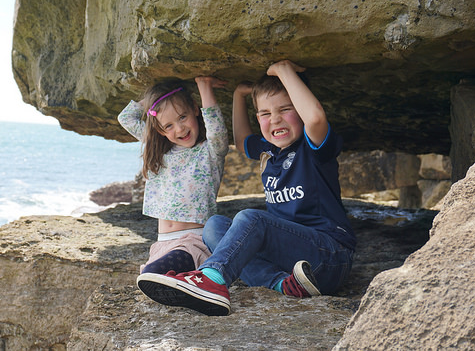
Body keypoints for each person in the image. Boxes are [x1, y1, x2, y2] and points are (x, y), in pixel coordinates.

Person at [136, 60, 356, 316]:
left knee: (252, 219)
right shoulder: (269, 151)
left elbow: (316, 118)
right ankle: (281, 284)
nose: (275, 119)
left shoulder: (313, 149)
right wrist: (239, 96)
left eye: (285, 109)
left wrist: (283, 70)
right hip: (294, 266)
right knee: (214, 227)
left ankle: (212, 278)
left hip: (329, 257)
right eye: (265, 113)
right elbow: (242, 141)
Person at [117, 76, 229, 277]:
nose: (179, 128)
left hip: (193, 242)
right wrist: (154, 101)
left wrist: (204, 87)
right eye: (168, 125)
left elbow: (216, 129)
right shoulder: (160, 152)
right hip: (162, 244)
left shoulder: (209, 151)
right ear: (160, 130)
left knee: (152, 274)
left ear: (195, 109)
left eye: (182, 117)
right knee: (153, 279)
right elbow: (126, 118)